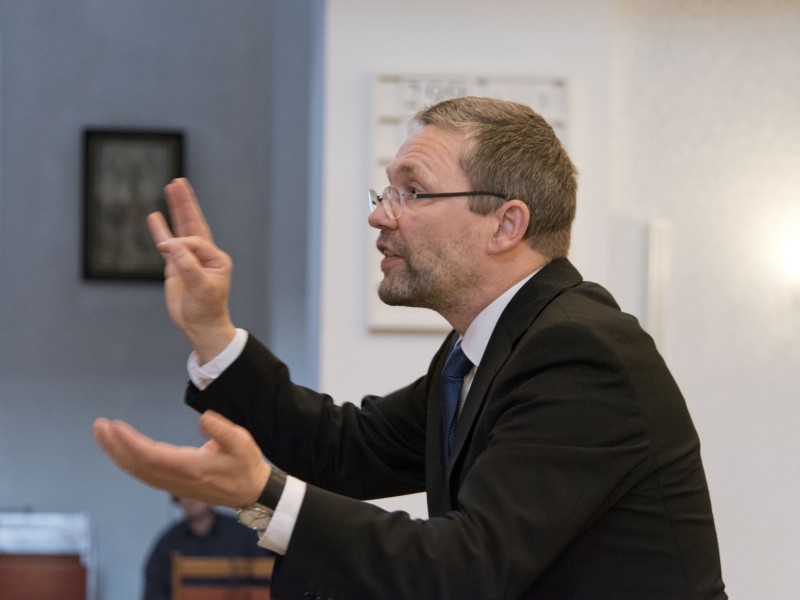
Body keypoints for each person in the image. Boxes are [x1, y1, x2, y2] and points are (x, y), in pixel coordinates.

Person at [94, 96, 727, 599]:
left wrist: (261, 495)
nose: (380, 215)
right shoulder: (480, 350)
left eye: (412, 192)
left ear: (507, 224)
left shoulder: (583, 355)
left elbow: (466, 568)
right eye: (386, 192)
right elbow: (345, 449)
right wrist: (212, 331)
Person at [142, 496, 271, 600]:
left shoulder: (242, 534)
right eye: (183, 490)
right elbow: (154, 591)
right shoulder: (169, 542)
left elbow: (267, 580)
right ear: (176, 497)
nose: (190, 496)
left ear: (209, 493)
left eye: (195, 490)